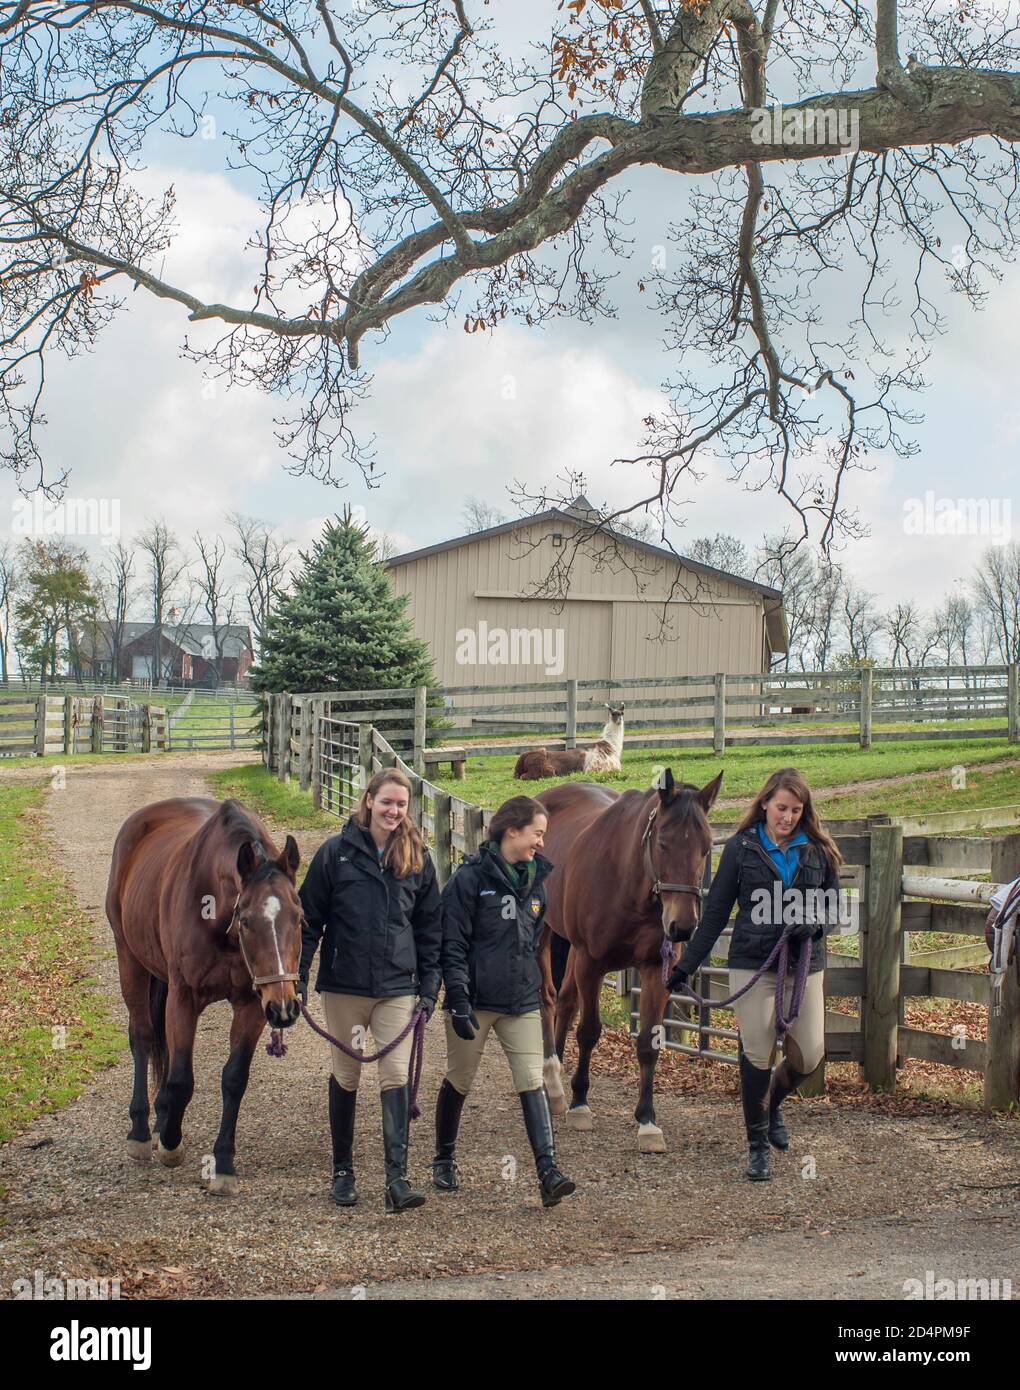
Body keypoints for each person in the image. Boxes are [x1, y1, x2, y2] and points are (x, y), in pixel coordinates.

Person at [668, 767, 842, 1182]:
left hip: (804, 963)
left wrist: (814, 925)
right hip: (753, 963)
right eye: (781, 808)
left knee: (809, 1053)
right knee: (757, 1052)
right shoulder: (741, 849)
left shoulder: (818, 851)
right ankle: (757, 1146)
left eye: (796, 810)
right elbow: (715, 913)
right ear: (765, 803)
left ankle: (773, 1104)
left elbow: (836, 909)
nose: (787, 817)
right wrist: (686, 966)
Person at [298, 768, 441, 1213]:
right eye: (387, 802)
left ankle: (396, 1178)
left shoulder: (418, 858)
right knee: (347, 1074)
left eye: (401, 804)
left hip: (397, 986)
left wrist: (430, 986)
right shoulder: (334, 854)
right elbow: (307, 923)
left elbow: (430, 928)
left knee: (395, 1075)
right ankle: (343, 1171)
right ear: (368, 801)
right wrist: (299, 976)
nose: (394, 811)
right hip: (345, 986)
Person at [435, 795, 576, 1208]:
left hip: (520, 1000)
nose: (541, 843)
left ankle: (547, 1171)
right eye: (537, 833)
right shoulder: (468, 880)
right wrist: (458, 996)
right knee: (459, 1079)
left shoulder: (537, 882)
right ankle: (443, 1158)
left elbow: (533, 943)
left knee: (531, 1081)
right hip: (474, 1001)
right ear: (511, 830)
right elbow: (453, 942)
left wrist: (533, 986)